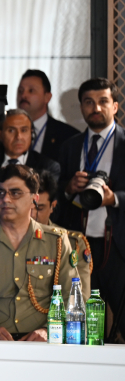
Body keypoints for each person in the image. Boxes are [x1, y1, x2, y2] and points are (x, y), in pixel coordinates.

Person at [0, 164, 86, 341]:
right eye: (0, 192)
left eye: (15, 193)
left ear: (34, 199)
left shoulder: (57, 241)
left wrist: (48, 331)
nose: (6, 199)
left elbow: (72, 298)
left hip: (42, 343)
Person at [57, 78, 125, 340]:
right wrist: (68, 187)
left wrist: (114, 199)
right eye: (89, 102)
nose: (96, 108)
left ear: (115, 106)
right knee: (81, 323)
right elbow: (55, 194)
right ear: (81, 108)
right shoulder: (70, 146)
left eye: (103, 101)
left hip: (118, 247)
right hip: (78, 247)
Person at [17, 69, 79, 164]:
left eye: (31, 90)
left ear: (47, 97)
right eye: (20, 91)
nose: (23, 95)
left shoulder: (69, 136)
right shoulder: (5, 131)